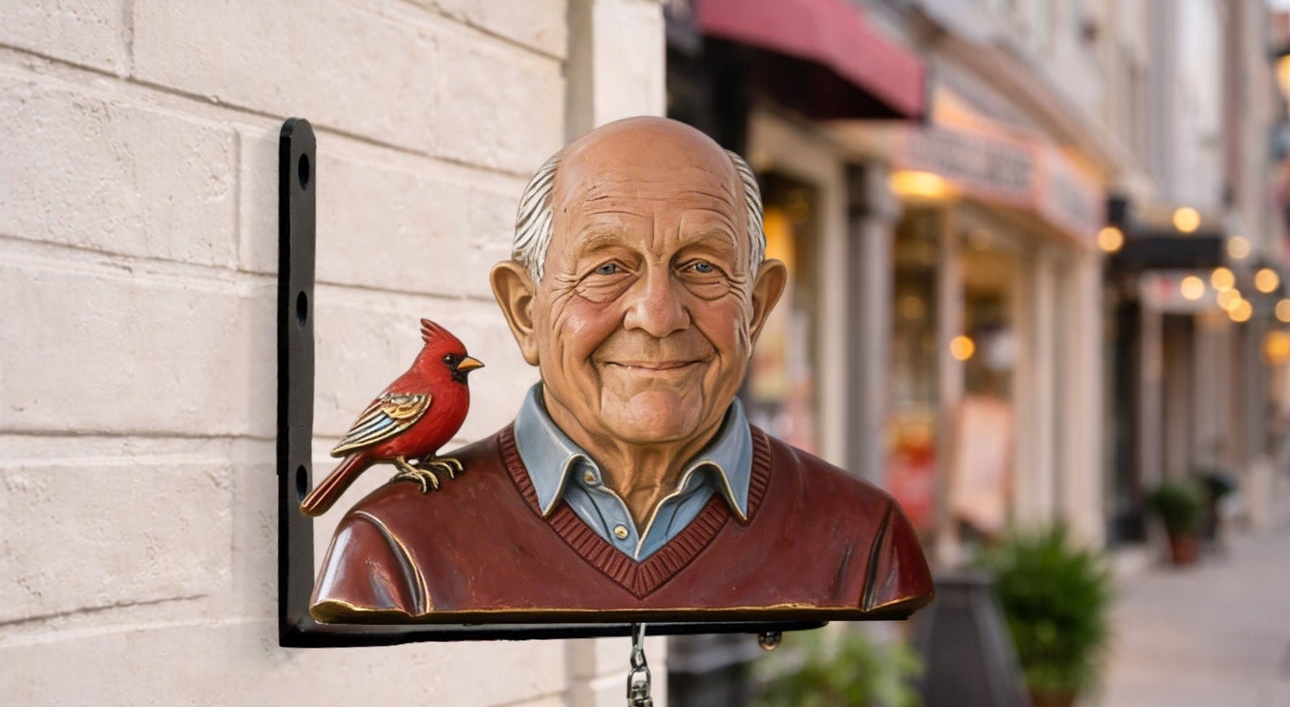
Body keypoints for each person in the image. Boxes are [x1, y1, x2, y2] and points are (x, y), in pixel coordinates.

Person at [310, 117, 933, 625]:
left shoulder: (863, 539)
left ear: (758, 307)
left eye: (702, 268)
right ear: (526, 312)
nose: (658, 316)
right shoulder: (392, 548)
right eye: (607, 268)